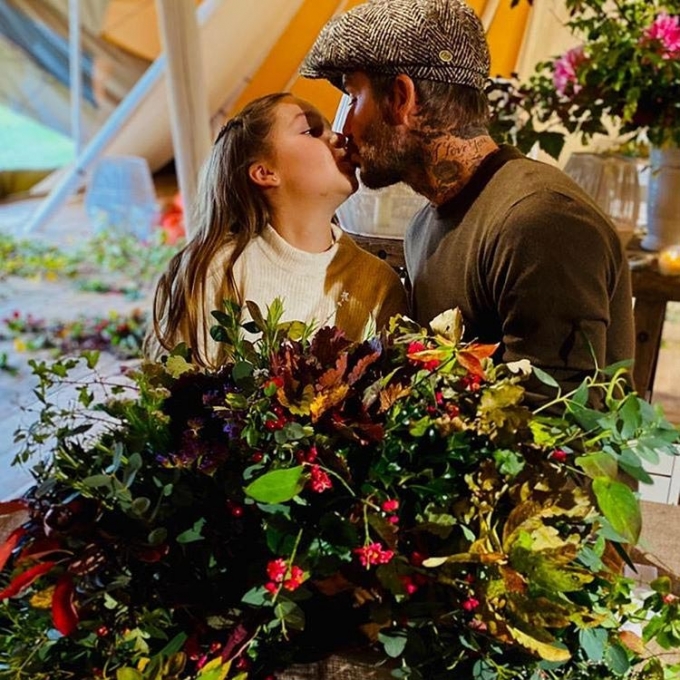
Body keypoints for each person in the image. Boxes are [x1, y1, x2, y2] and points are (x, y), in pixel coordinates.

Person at [299, 0, 635, 402]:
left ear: (401, 98)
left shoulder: (539, 219)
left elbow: (561, 425)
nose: (345, 129)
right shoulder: (424, 227)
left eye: (354, 98)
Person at [146, 92, 408, 368]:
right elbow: (176, 394)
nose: (339, 137)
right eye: (311, 131)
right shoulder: (217, 272)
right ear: (265, 172)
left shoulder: (378, 284)